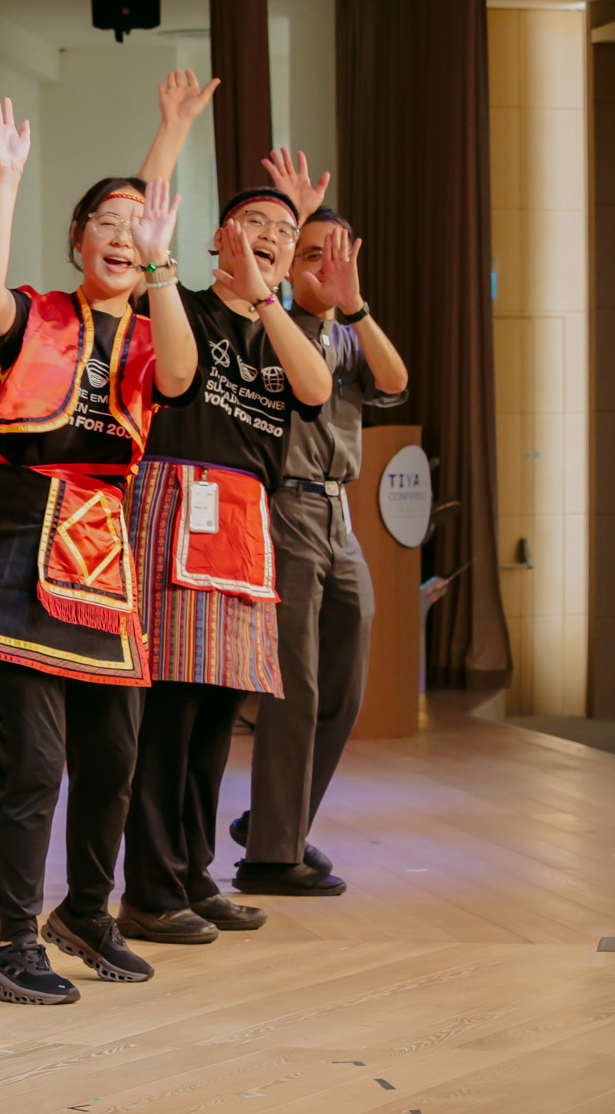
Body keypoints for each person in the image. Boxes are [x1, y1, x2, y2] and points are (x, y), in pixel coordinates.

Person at [0, 93, 200, 1005]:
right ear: (76, 237)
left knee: (114, 752)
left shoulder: (154, 329)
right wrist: (6, 178)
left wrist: (164, 265)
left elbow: (179, 376)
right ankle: (13, 938)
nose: (122, 235)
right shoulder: (37, 313)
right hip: (19, 526)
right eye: (106, 221)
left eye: (138, 226)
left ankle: (87, 911)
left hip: (102, 539)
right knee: (35, 757)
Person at [118, 185, 333, 945]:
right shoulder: (181, 305)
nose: (269, 236)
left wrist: (268, 299)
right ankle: (148, 889)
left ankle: (193, 875)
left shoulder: (282, 332)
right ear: (218, 237)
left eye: (284, 229)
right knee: (169, 714)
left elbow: (317, 388)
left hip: (244, 522)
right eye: (253, 223)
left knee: (216, 717)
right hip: (174, 503)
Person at [231, 154, 408, 896]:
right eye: (309, 254)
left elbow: (395, 382)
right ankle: (271, 856)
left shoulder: (345, 334)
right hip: (285, 507)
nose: (323, 269)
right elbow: (259, 290)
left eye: (336, 257)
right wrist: (290, 240)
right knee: (295, 684)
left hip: (339, 511)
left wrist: (356, 306)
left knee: (344, 681)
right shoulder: (267, 324)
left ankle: (279, 818)